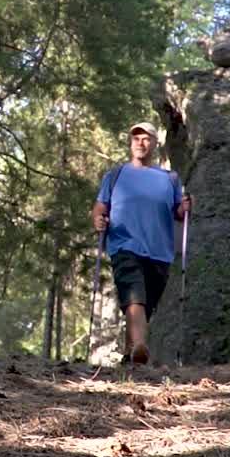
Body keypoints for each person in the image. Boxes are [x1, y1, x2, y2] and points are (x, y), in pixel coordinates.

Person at [91, 122, 192, 365]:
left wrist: (186, 207)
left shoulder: (169, 179)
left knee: (145, 305)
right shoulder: (115, 176)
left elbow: (178, 212)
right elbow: (100, 206)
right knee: (134, 294)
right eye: (136, 138)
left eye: (146, 138)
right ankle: (139, 346)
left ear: (155, 144)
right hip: (124, 244)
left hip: (159, 251)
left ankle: (130, 356)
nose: (140, 142)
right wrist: (97, 218)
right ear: (130, 142)